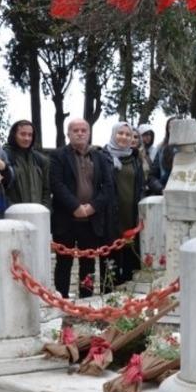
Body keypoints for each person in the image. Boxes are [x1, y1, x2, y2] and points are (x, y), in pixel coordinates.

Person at [51, 118, 114, 298]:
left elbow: (108, 186)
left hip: (91, 220)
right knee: (64, 262)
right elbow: (57, 184)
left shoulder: (100, 157)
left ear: (89, 133)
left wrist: (92, 207)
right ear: (68, 134)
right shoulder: (58, 156)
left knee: (88, 262)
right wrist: (75, 206)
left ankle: (86, 299)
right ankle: (61, 299)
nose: (79, 133)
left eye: (83, 130)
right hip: (66, 218)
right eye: (75, 130)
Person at [103, 122, 145, 286]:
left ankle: (127, 293)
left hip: (130, 215)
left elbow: (140, 185)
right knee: (111, 258)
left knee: (129, 257)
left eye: (128, 135)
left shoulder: (134, 160)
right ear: (114, 134)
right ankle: (109, 293)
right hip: (111, 216)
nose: (124, 137)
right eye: (120, 133)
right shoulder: (103, 157)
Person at [4, 119, 51, 209]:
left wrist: (44, 209)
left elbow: (47, 190)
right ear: (14, 135)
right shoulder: (5, 156)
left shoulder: (40, 159)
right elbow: (2, 189)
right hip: (13, 213)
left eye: (30, 135)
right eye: (23, 134)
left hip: (38, 213)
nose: (27, 138)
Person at [148, 117, 177, 194]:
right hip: (165, 191)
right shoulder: (161, 149)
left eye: (177, 126)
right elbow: (152, 175)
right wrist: (160, 189)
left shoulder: (192, 148)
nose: (174, 129)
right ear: (168, 130)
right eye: (171, 127)